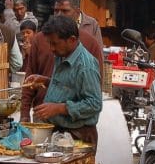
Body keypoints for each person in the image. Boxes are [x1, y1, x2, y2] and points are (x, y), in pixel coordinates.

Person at [26, 15, 103, 145]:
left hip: (78, 136)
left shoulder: (86, 66)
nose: (51, 48)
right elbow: (70, 87)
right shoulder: (61, 55)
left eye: (55, 43)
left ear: (72, 40)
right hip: (60, 133)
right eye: (49, 43)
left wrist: (60, 108)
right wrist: (46, 81)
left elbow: (94, 104)